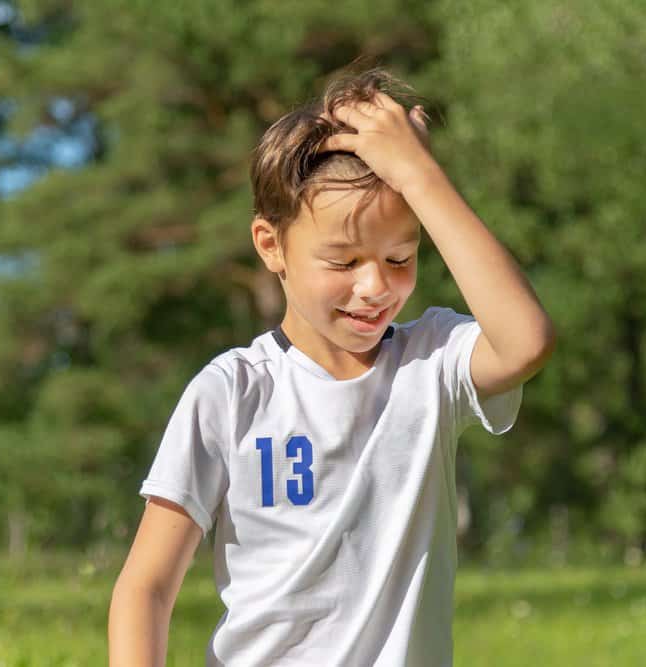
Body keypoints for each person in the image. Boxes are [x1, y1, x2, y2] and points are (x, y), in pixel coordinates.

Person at [108, 67, 556, 666]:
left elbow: (526, 341)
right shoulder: (232, 393)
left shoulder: (431, 363)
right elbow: (146, 587)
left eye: (400, 256)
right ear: (271, 246)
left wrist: (421, 177)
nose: (374, 287)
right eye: (342, 261)